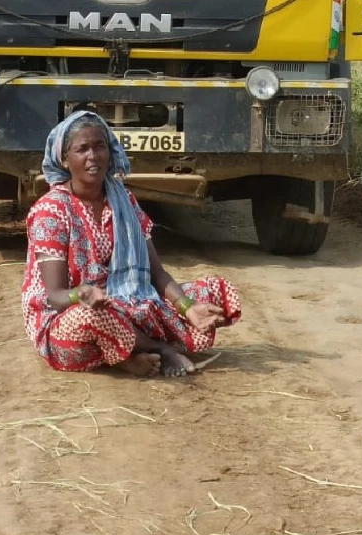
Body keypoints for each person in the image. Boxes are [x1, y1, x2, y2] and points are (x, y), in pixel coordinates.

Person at [21, 110, 242, 377]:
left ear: (110, 152)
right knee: (91, 318)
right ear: (65, 160)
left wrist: (187, 307)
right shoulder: (51, 211)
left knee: (213, 292)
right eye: (82, 149)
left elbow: (156, 273)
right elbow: (54, 296)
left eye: (99, 146)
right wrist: (81, 294)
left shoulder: (124, 201)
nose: (93, 156)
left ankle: (127, 351)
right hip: (69, 318)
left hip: (123, 303)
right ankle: (158, 349)